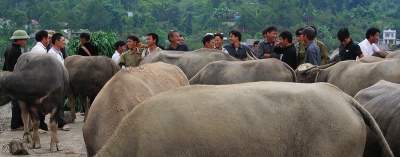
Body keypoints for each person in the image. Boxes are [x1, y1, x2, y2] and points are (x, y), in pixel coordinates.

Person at [3, 30, 32, 131]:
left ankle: (17, 123)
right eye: (24, 39)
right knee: (17, 103)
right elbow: (18, 68)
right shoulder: (17, 51)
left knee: (15, 102)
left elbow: (5, 67)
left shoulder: (8, 49)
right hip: (15, 79)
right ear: (18, 40)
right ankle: (15, 125)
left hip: (9, 78)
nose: (25, 41)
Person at [47, 33, 70, 131]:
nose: (64, 42)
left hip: (61, 82)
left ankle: (58, 122)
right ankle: (61, 123)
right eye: (62, 40)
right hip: (55, 83)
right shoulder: (51, 54)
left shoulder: (59, 53)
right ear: (56, 41)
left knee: (60, 103)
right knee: (57, 103)